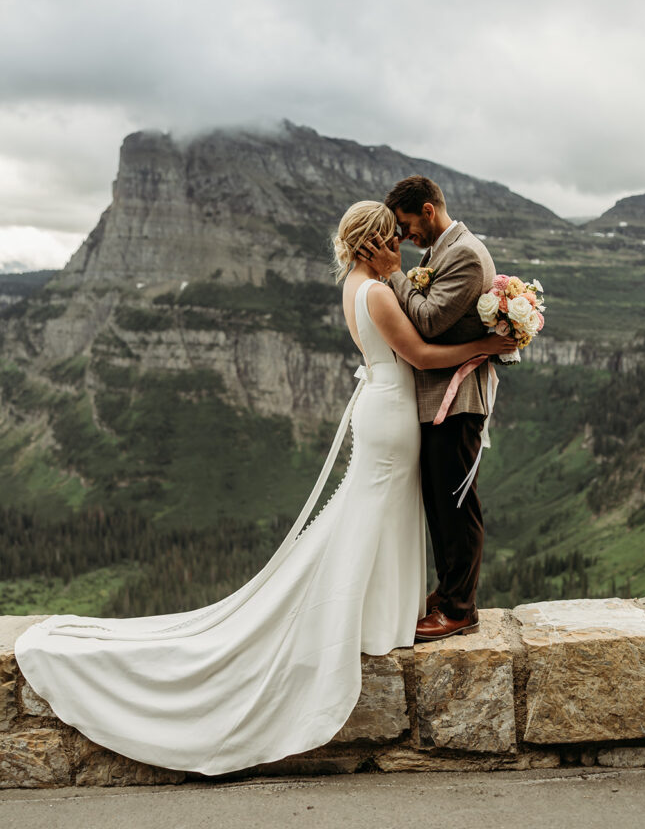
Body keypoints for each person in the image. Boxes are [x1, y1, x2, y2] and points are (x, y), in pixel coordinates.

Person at [14, 200, 515, 777]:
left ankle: (381, 616)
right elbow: (422, 353)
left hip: (382, 406)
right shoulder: (377, 292)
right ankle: (365, 618)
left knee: (374, 512)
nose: (400, 247)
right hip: (390, 412)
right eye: (392, 240)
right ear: (374, 242)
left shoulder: (355, 284)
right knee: (374, 511)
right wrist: (487, 348)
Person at [358, 176, 498, 642]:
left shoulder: (464, 254)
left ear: (427, 209)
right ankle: (449, 590)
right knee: (440, 500)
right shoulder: (439, 251)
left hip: (458, 400)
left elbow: (432, 322)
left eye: (405, 224)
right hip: (438, 398)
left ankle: (461, 609)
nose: (402, 236)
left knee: (458, 503)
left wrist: (394, 274)